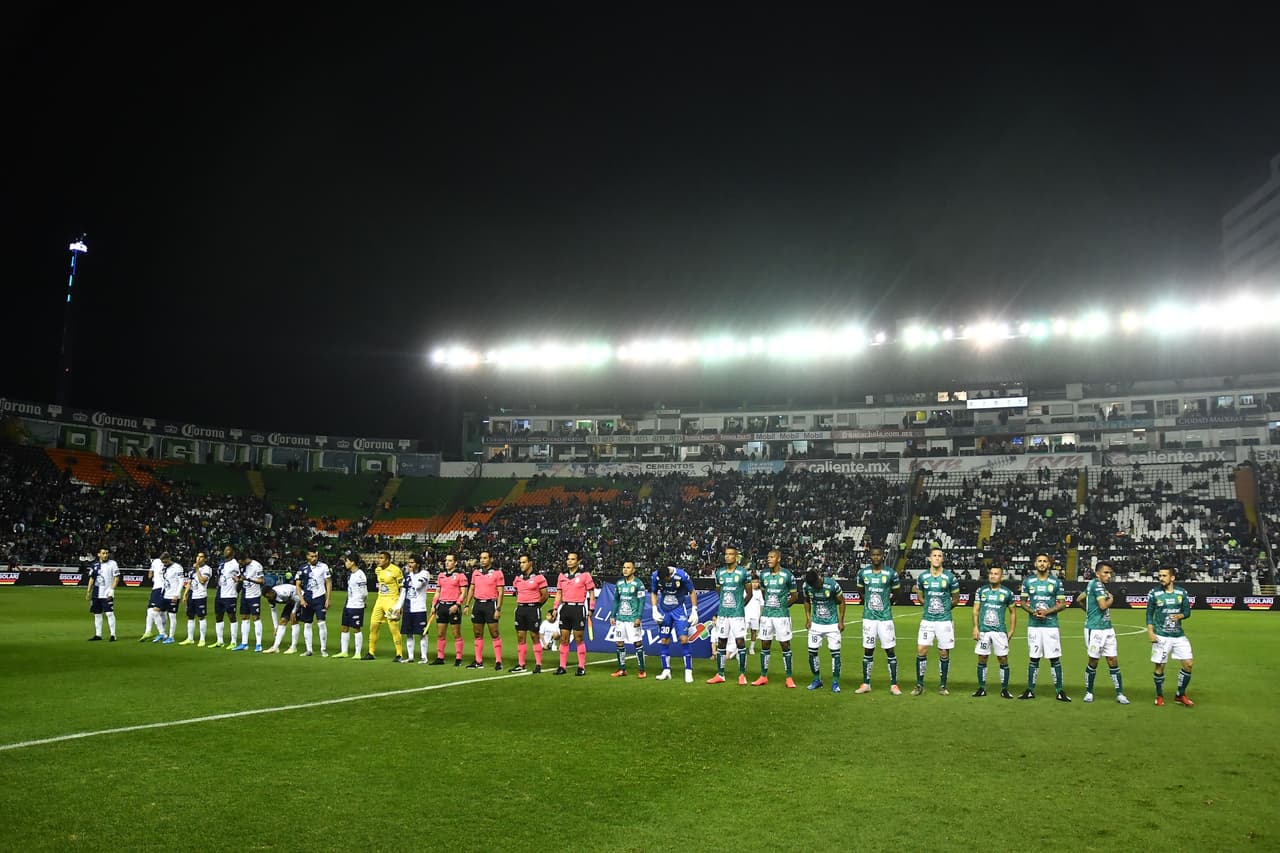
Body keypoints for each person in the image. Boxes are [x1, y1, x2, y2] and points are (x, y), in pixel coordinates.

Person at [1018, 552, 1071, 701]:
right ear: (1035, 564)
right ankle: (1030, 690)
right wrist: (1032, 611)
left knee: (1054, 658)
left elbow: (1062, 604)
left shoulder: (1056, 582)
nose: (1042, 563)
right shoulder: (1028, 581)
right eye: (1039, 561)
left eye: (1044, 561)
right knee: (1034, 658)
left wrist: (1047, 612)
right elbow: (1022, 602)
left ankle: (1060, 691)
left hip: (1051, 626)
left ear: (1049, 564)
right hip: (1034, 625)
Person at [1076, 560, 1130, 704]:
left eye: (1110, 573)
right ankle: (1089, 692)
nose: (1109, 576)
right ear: (1097, 573)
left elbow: (1079, 599)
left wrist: (1088, 612)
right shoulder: (1098, 585)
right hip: (1095, 630)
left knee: (1112, 660)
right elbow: (1102, 606)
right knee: (1093, 660)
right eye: (1106, 573)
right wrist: (1111, 599)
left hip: (1107, 628)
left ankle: (1119, 693)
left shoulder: (1093, 585)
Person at [912, 547, 959, 696]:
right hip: (928, 620)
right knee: (921, 650)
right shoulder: (923, 577)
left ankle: (943, 685)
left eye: (940, 556)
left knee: (944, 652)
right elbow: (919, 595)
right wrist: (926, 605)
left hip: (944, 621)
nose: (937, 558)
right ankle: (919, 685)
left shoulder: (950, 577)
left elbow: (956, 599)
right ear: (929, 558)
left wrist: (945, 609)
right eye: (934, 555)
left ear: (942, 559)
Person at [855, 546, 901, 694]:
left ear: (883, 556)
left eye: (878, 555)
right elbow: (861, 590)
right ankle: (866, 683)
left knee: (890, 650)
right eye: (873, 555)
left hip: (885, 618)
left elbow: (896, 591)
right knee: (868, 650)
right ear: (870, 556)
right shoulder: (863, 573)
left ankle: (894, 684)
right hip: (869, 618)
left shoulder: (891, 573)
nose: (876, 557)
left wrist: (888, 603)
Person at [1147, 567, 1194, 707]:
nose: (1161, 578)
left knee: (1189, 664)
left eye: (1164, 575)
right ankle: (1159, 696)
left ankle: (1180, 694)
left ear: (1172, 577)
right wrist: (1150, 631)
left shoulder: (1182, 592)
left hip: (1178, 635)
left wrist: (1180, 615)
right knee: (1160, 667)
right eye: (1159, 575)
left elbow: (1187, 612)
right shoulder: (1154, 593)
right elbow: (1149, 614)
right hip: (1161, 636)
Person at [752, 549, 799, 688]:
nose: (769, 559)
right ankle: (763, 676)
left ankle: (789, 677)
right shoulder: (764, 574)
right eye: (768, 557)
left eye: (772, 557)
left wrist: (783, 607)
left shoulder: (787, 575)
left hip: (781, 616)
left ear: (778, 559)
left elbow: (794, 596)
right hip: (767, 615)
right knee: (765, 644)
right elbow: (764, 591)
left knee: (785, 645)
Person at [971, 566, 1017, 698]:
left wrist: (1012, 630)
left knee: (1003, 659)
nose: (993, 576)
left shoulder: (1007, 593)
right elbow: (975, 610)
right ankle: (981, 688)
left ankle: (1004, 689)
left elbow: (1013, 612)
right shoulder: (981, 591)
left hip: (999, 632)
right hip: (984, 631)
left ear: (1001, 577)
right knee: (982, 658)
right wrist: (975, 627)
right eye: (991, 573)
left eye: (996, 574)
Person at [708, 546, 751, 685]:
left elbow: (749, 593)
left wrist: (740, 605)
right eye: (726, 554)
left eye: (731, 554)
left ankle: (742, 674)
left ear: (736, 557)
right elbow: (719, 591)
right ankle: (720, 674)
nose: (727, 556)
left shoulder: (743, 572)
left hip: (737, 614)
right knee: (721, 642)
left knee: (740, 642)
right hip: (723, 614)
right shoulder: (719, 573)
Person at [802, 568, 845, 693]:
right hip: (816, 625)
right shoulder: (807, 586)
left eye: (816, 584)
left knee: (835, 654)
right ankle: (817, 680)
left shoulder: (832, 584)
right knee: (812, 653)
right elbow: (806, 600)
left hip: (832, 625)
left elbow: (842, 601)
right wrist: (808, 618)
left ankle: (835, 683)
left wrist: (841, 621)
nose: (814, 587)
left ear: (819, 578)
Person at [552, 550, 596, 676]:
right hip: (565, 608)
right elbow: (559, 593)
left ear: (578, 561)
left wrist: (591, 608)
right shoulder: (562, 576)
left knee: (579, 638)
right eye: (568, 559)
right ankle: (562, 666)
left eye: (572, 559)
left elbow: (591, 593)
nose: (569, 561)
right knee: (564, 639)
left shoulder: (585, 576)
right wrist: (555, 608)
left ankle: (581, 667)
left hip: (578, 608)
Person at [466, 551, 505, 670]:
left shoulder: (497, 573)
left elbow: (501, 592)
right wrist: (467, 604)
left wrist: (498, 608)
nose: (482, 560)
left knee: (494, 633)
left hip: (490, 605)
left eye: (485, 558)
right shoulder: (476, 573)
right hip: (477, 605)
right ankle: (478, 660)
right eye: (481, 558)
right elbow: (471, 589)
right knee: (477, 634)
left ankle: (498, 661)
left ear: (491, 559)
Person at [609, 560, 648, 678]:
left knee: (637, 642)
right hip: (621, 618)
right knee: (619, 642)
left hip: (632, 619)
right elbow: (616, 600)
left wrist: (638, 617)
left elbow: (642, 601)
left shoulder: (638, 584)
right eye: (624, 567)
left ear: (633, 570)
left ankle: (642, 670)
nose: (625, 569)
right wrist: (612, 615)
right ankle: (622, 669)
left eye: (628, 568)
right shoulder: (619, 583)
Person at [510, 554, 548, 673]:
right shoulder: (518, 578)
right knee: (521, 637)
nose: (521, 564)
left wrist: (536, 606)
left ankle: (538, 664)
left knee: (534, 636)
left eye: (524, 562)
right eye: (520, 562)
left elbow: (545, 595)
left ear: (530, 563)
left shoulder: (539, 577)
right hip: (520, 609)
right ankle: (521, 664)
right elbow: (517, 592)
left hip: (533, 609)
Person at [428, 553, 469, 665]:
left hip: (453, 606)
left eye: (450, 560)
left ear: (455, 562)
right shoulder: (441, 575)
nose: (447, 562)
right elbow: (437, 592)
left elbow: (464, 593)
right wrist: (433, 605)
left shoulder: (461, 576)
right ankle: (440, 657)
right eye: (446, 560)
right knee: (440, 634)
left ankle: (458, 658)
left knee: (456, 634)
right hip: (442, 606)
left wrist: (457, 605)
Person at [366, 551, 405, 661]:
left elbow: (402, 588)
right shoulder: (378, 570)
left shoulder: (396, 570)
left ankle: (399, 654)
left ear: (388, 560)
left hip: (392, 600)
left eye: (381, 558)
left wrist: (399, 605)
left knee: (393, 628)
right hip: (380, 600)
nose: (379, 560)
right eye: (379, 557)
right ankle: (371, 652)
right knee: (373, 625)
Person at [295, 549, 332, 657]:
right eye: (311, 556)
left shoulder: (324, 567)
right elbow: (298, 585)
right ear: (307, 557)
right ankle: (309, 649)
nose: (314, 558)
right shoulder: (302, 568)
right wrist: (301, 599)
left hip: (319, 598)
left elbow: (328, 582)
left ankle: (323, 649)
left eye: (315, 556)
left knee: (321, 623)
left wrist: (328, 598)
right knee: (307, 624)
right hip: (307, 598)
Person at [393, 556, 431, 663]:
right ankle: (410, 657)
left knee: (422, 633)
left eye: (412, 562)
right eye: (409, 562)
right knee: (408, 633)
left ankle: (424, 657)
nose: (409, 564)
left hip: (419, 608)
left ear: (418, 564)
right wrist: (398, 607)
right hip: (408, 609)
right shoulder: (407, 576)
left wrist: (411, 575)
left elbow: (417, 586)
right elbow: (403, 593)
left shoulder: (424, 574)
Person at [334, 554, 368, 660]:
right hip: (348, 604)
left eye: (347, 561)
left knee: (356, 628)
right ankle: (344, 651)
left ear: (352, 562)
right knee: (344, 627)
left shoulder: (360, 575)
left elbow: (364, 592)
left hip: (357, 605)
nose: (345, 563)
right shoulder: (351, 574)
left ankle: (357, 653)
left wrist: (362, 602)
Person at [178, 551, 212, 646]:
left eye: (201, 557)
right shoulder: (192, 570)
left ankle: (202, 639)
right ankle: (190, 638)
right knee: (190, 617)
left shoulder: (207, 569)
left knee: (201, 616)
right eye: (197, 556)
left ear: (205, 559)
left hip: (200, 595)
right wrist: (185, 594)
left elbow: (202, 581)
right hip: (192, 595)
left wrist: (197, 570)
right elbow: (189, 582)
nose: (198, 558)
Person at [86, 547, 119, 641]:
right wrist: (88, 591)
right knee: (97, 614)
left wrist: (112, 590)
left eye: (107, 553)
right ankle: (98, 635)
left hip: (107, 594)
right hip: (96, 594)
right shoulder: (94, 565)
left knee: (109, 613)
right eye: (103, 553)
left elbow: (116, 578)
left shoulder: (112, 564)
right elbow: (92, 578)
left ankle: (113, 635)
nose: (105, 555)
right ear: (98, 554)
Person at [235, 551, 266, 652]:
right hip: (245, 594)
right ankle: (244, 643)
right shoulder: (241, 566)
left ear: (245, 559)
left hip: (254, 595)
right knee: (244, 617)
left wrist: (248, 579)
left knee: (256, 618)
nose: (240, 564)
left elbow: (261, 581)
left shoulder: (257, 565)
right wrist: (238, 579)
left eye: (241, 562)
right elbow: (242, 577)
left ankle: (258, 644)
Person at [212, 546, 241, 649]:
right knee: (218, 616)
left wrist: (236, 592)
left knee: (231, 616)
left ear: (232, 552)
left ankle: (233, 641)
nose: (225, 551)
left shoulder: (235, 564)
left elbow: (239, 579)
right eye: (224, 550)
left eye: (228, 550)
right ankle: (220, 641)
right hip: (220, 592)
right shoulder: (222, 564)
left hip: (230, 594)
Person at [263, 581, 301, 653]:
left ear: (272, 592)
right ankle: (275, 647)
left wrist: (293, 612)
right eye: (266, 597)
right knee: (282, 621)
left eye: (268, 596)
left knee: (294, 620)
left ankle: (293, 647)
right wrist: (275, 627)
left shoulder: (283, 593)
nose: (268, 598)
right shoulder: (270, 598)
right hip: (291, 602)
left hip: (300, 598)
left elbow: (298, 599)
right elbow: (273, 611)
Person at [141, 553, 167, 642]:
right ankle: (148, 631)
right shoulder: (160, 562)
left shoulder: (156, 562)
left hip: (161, 588)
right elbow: (150, 574)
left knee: (156, 611)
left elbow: (150, 575)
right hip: (157, 588)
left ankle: (162, 633)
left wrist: (153, 575)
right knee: (151, 610)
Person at [159, 554, 185, 645]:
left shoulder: (177, 567)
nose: (164, 563)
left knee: (172, 616)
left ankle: (171, 637)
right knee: (161, 613)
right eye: (163, 562)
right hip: (165, 594)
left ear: (169, 558)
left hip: (173, 595)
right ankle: (163, 633)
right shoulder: (164, 568)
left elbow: (181, 581)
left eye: (165, 562)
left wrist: (177, 594)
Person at [743, 573, 763, 655]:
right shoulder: (745, 591)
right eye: (753, 582)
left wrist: (760, 616)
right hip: (746, 615)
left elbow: (762, 605)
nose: (754, 584)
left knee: (754, 632)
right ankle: (742, 648)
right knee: (743, 631)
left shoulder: (760, 592)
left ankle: (751, 648)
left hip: (755, 615)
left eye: (756, 582)